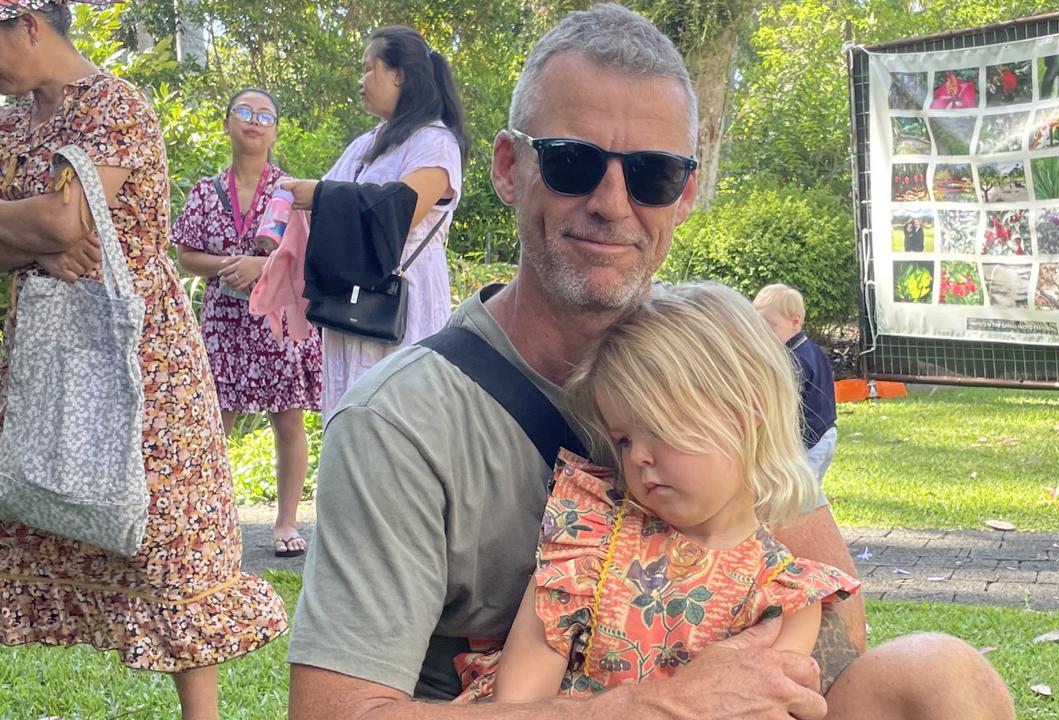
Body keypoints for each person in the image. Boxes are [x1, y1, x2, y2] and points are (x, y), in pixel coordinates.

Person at [288, 5, 1015, 719]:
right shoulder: (403, 421)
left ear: (685, 194)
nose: (612, 201)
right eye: (573, 163)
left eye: (653, 174)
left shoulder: (707, 365)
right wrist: (652, 704)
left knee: (944, 674)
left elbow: (839, 629)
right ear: (511, 169)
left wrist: (750, 668)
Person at [0, 3, 288, 719]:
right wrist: (35, 238)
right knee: (33, 498)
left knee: (166, 533)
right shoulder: (9, 125)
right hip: (40, 347)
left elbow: (66, 220)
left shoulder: (115, 106)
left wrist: (42, 232)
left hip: (136, 354)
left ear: (29, 25)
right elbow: (43, 230)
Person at [454, 282, 859, 702]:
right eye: (624, 438)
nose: (639, 457)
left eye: (662, 426)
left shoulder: (784, 595)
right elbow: (520, 697)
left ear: (746, 413)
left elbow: (758, 706)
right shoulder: (591, 536)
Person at [283, 25, 468, 418]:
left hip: (398, 304)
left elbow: (403, 208)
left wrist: (319, 194)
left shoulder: (434, 142)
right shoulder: (364, 145)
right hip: (349, 305)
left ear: (399, 74)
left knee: (397, 418)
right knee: (348, 415)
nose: (361, 79)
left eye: (369, 68)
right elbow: (326, 212)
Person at [173, 88, 323, 559]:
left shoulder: (291, 192)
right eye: (244, 111)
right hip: (223, 321)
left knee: (288, 420)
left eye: (264, 115)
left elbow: (305, 254)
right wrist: (228, 265)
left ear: (275, 129)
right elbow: (184, 255)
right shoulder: (205, 191)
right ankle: (211, 520)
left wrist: (263, 267)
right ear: (227, 123)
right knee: (215, 423)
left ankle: (285, 523)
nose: (254, 121)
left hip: (276, 316)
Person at [753, 284, 838, 490]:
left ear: (795, 322)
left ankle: (806, 521)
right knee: (808, 490)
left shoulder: (792, 361)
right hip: (826, 433)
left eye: (770, 326)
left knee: (798, 495)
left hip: (807, 441)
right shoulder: (813, 350)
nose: (763, 334)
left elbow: (783, 405)